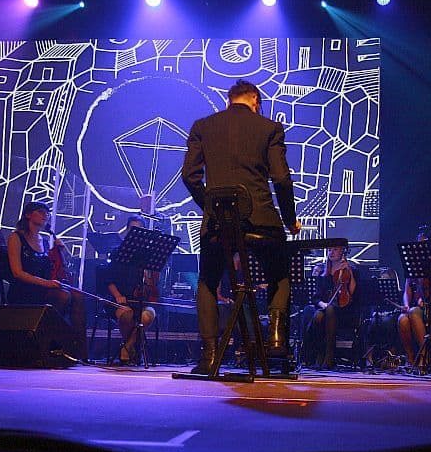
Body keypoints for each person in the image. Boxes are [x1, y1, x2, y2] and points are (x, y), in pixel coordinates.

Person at [182, 80, 301, 374]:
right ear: (256, 101)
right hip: (262, 221)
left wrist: (212, 207)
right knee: (279, 274)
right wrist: (290, 219)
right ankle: (276, 338)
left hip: (219, 225)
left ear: (229, 100)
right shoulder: (269, 128)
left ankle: (210, 356)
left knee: (208, 281)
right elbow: (281, 179)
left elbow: (190, 176)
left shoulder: (203, 126)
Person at [6, 201, 86, 357]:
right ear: (28, 214)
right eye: (40, 211)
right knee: (62, 296)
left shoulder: (43, 240)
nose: (45, 215)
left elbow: (54, 268)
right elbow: (17, 273)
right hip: (24, 290)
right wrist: (47, 283)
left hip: (43, 288)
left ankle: (79, 351)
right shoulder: (16, 237)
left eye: (47, 213)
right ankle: (50, 343)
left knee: (77, 296)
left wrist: (62, 252)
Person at [104, 215, 157, 364]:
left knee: (147, 316)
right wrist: (118, 296)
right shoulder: (117, 252)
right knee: (127, 315)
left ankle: (127, 346)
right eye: (132, 229)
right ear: (127, 230)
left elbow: (152, 284)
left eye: (139, 230)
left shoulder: (147, 255)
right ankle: (131, 349)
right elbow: (108, 280)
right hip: (118, 300)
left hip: (139, 301)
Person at [397, 232, 431, 367]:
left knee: (414, 311)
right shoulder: (413, 267)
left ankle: (424, 356)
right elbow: (406, 291)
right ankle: (410, 357)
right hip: (416, 309)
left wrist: (425, 302)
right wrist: (406, 304)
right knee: (402, 319)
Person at [303, 245, 359, 370]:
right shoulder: (324, 274)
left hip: (345, 310)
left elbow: (353, 292)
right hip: (327, 308)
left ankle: (327, 355)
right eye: (329, 250)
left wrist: (349, 271)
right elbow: (316, 298)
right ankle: (319, 354)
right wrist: (323, 304)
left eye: (335, 249)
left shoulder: (352, 270)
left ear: (342, 252)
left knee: (324, 313)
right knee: (317, 314)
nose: (331, 252)